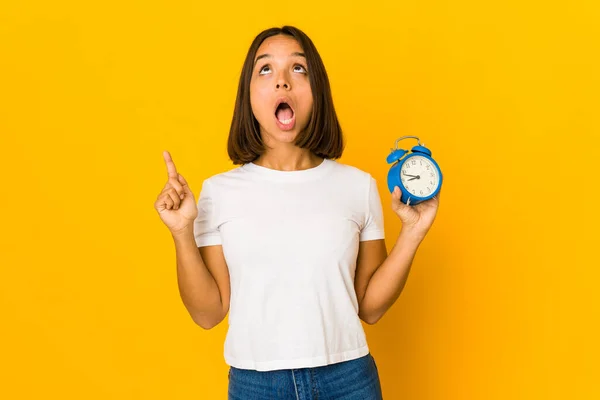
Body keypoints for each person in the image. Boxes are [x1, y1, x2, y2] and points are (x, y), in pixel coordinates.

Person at [154, 26, 440, 400]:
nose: (283, 83)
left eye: (298, 69)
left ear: (316, 90)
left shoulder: (358, 186)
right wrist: (181, 232)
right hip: (256, 385)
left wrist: (413, 233)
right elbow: (208, 314)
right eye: (266, 69)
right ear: (249, 96)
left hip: (348, 380)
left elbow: (369, 307)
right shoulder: (218, 192)